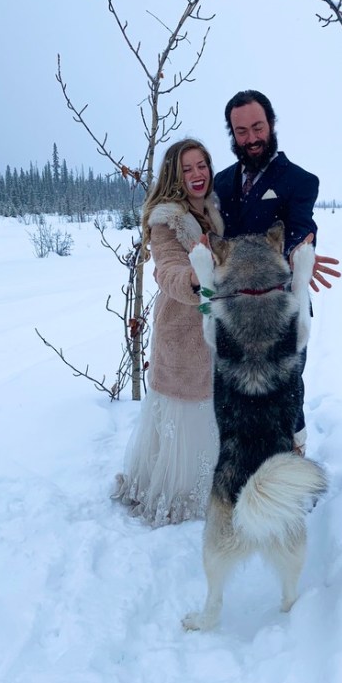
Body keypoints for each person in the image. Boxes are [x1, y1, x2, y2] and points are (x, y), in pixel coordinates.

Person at [213, 90, 340, 453]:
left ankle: (293, 451)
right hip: (232, 309)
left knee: (286, 385)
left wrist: (300, 253)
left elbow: (301, 228)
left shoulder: (299, 181)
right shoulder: (221, 183)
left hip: (280, 306)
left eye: (257, 127)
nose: (251, 138)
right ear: (232, 134)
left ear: (271, 124)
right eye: (241, 131)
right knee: (234, 389)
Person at [113, 138, 224, 526]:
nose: (197, 175)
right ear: (174, 176)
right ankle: (178, 496)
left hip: (216, 336)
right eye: (187, 169)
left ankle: (213, 483)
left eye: (202, 166)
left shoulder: (215, 210)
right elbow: (169, 272)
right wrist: (196, 275)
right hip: (183, 336)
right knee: (186, 413)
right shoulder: (167, 219)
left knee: (212, 411)